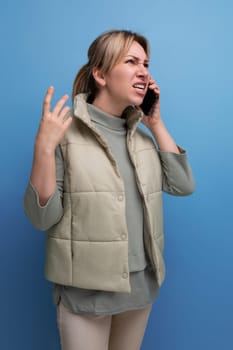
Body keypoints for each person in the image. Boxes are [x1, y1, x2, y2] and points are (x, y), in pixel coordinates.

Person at [24, 29, 194, 350]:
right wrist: (44, 150)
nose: (143, 71)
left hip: (140, 288)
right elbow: (41, 218)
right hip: (86, 293)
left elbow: (182, 186)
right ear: (100, 74)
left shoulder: (142, 139)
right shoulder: (63, 134)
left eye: (145, 63)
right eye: (131, 62)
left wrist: (155, 123)